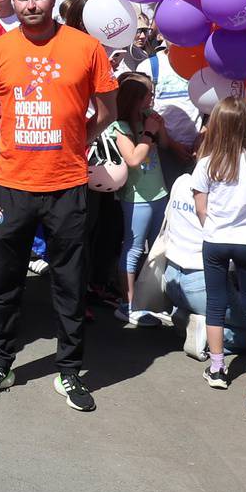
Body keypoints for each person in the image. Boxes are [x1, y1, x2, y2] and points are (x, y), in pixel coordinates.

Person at [0, 0, 116, 412]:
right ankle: (0, 363)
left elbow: (106, 109)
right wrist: (19, 132)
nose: (31, 5)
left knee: (69, 282)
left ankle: (69, 372)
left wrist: (79, 140)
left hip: (67, 184)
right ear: (12, 0)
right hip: (14, 183)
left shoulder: (86, 48)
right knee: (3, 279)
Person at [191, 96, 246, 386]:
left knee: (216, 303)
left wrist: (213, 228)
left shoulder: (205, 165)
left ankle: (217, 368)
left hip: (215, 239)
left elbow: (201, 208)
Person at [111, 72, 168, 326]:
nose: (152, 98)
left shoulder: (148, 119)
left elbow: (165, 144)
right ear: (135, 99)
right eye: (148, 95)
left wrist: (159, 128)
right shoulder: (119, 127)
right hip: (136, 197)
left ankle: (151, 301)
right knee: (133, 249)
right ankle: (128, 304)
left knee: (157, 249)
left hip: (159, 192)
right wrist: (148, 133)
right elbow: (133, 159)